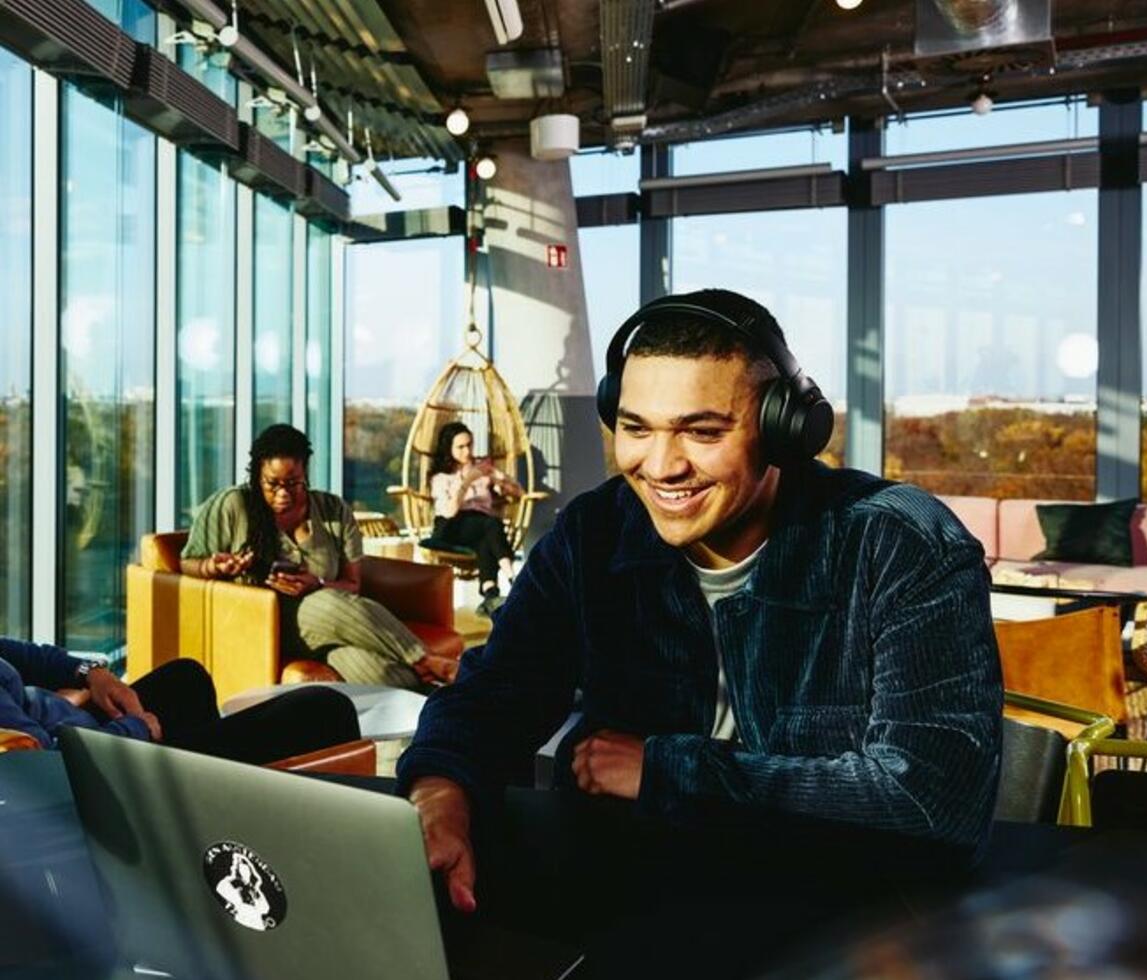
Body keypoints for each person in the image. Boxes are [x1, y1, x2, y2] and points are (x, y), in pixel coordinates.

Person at [395, 288, 1002, 919]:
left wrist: (668, 772)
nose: (660, 466)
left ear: (782, 430)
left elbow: (935, 802)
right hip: (635, 905)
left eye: (702, 432)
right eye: (635, 428)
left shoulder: (899, 543)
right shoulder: (594, 535)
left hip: (843, 919)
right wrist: (440, 792)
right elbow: (495, 694)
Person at [180, 424, 457, 689]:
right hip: (264, 620)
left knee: (377, 672)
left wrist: (318, 583)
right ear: (256, 475)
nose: (283, 493)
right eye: (272, 484)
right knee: (326, 603)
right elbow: (187, 563)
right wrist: (213, 566)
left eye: (293, 483)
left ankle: (439, 712)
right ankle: (427, 660)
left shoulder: (332, 510)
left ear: (306, 474)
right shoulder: (233, 505)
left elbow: (353, 585)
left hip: (331, 624)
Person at [0, 636, 359, 763]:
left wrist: (89, 674)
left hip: (77, 730)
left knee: (186, 678)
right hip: (100, 774)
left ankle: (203, 814)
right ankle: (188, 794)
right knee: (324, 709)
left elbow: (22, 655)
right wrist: (134, 729)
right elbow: (50, 771)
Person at [428, 421, 523, 616]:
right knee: (490, 525)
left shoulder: (483, 471)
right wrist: (467, 481)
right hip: (450, 526)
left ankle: (490, 594)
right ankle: (515, 580)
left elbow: (519, 493)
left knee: (486, 538)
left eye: (469, 444)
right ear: (449, 449)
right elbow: (450, 511)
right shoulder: (440, 477)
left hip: (480, 526)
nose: (467, 451)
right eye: (460, 447)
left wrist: (498, 477)